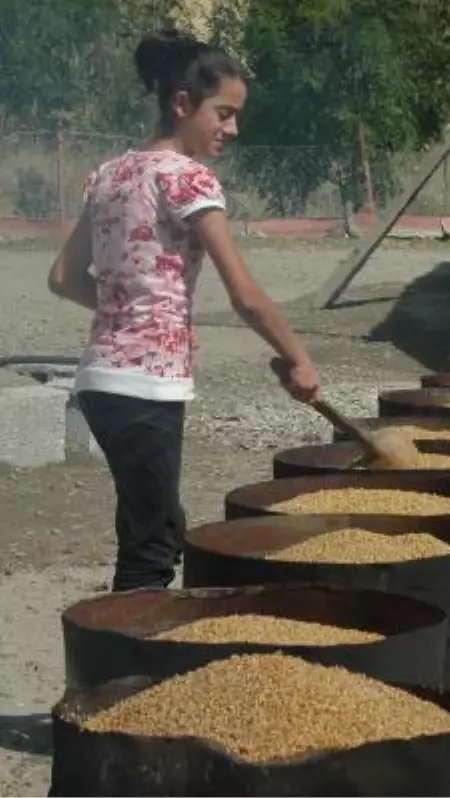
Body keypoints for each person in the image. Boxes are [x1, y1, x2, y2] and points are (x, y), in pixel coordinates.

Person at [46, 29, 322, 592]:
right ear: (182, 104)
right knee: (149, 550)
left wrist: (128, 311)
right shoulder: (187, 178)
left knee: (160, 525)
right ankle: (131, 665)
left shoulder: (110, 173)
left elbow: (63, 277)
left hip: (100, 380)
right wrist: (300, 359)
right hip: (146, 386)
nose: (232, 129)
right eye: (223, 113)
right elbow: (244, 293)